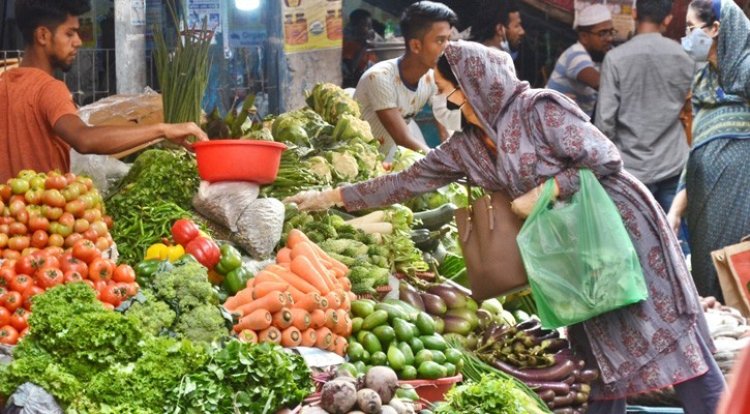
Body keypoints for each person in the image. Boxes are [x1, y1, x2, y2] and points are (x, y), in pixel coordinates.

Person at [286, 41, 724, 414]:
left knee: (664, 334)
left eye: (447, 90)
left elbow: (605, 158)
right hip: (570, 246)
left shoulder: (538, 110)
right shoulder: (468, 147)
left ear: (474, 83)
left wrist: (548, 189)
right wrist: (329, 198)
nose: (446, 100)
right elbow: (404, 181)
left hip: (617, 227)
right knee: (592, 343)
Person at [0, 0, 207, 182]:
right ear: (43, 35)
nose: (78, 42)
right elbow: (84, 139)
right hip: (42, 221)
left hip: (8, 220)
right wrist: (163, 130)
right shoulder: (49, 89)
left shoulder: (5, 82)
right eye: (69, 33)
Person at [667, 0, 750, 302]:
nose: (688, 38)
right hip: (705, 212)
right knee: (711, 296)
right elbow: (698, 151)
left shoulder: (747, 72)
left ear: (715, 29)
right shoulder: (702, 82)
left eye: (691, 29)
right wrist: (676, 211)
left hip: (743, 208)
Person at [594, 0, 694, 212]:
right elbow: (694, 104)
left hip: (631, 168)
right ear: (668, 19)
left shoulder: (615, 58)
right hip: (673, 162)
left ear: (635, 13)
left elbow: (605, 122)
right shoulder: (684, 55)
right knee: (675, 236)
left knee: (637, 240)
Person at [353, 1, 457, 159]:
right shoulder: (379, 78)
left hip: (385, 160)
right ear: (416, 45)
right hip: (357, 161)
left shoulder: (432, 79)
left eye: (449, 39)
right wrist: (443, 163)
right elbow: (403, 139)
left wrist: (458, 156)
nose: (448, 47)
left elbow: (446, 130)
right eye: (440, 41)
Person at [546, 4, 614, 118]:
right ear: (584, 37)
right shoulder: (575, 55)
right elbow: (602, 84)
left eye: (611, 32)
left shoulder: (602, 53)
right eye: (602, 33)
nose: (609, 38)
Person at [342, 9, 377, 89]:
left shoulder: (370, 45)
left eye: (370, 26)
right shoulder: (348, 44)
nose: (370, 30)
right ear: (354, 26)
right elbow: (351, 69)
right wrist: (364, 45)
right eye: (366, 26)